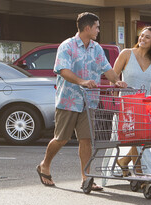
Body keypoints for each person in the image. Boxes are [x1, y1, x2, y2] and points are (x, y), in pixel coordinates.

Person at [36, 12, 126, 190]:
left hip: (89, 101)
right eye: (97, 27)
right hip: (68, 100)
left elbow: (106, 69)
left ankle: (87, 178)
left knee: (86, 140)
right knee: (61, 138)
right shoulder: (67, 46)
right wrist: (82, 81)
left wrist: (116, 80)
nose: (98, 30)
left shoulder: (96, 48)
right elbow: (62, 70)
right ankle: (44, 165)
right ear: (87, 28)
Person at [112, 26, 151, 182]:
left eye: (147, 37)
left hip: (144, 105)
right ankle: (139, 171)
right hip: (127, 105)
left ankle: (126, 162)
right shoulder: (126, 54)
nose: (142, 39)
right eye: (141, 36)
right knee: (137, 138)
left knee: (142, 138)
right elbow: (113, 76)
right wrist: (115, 96)